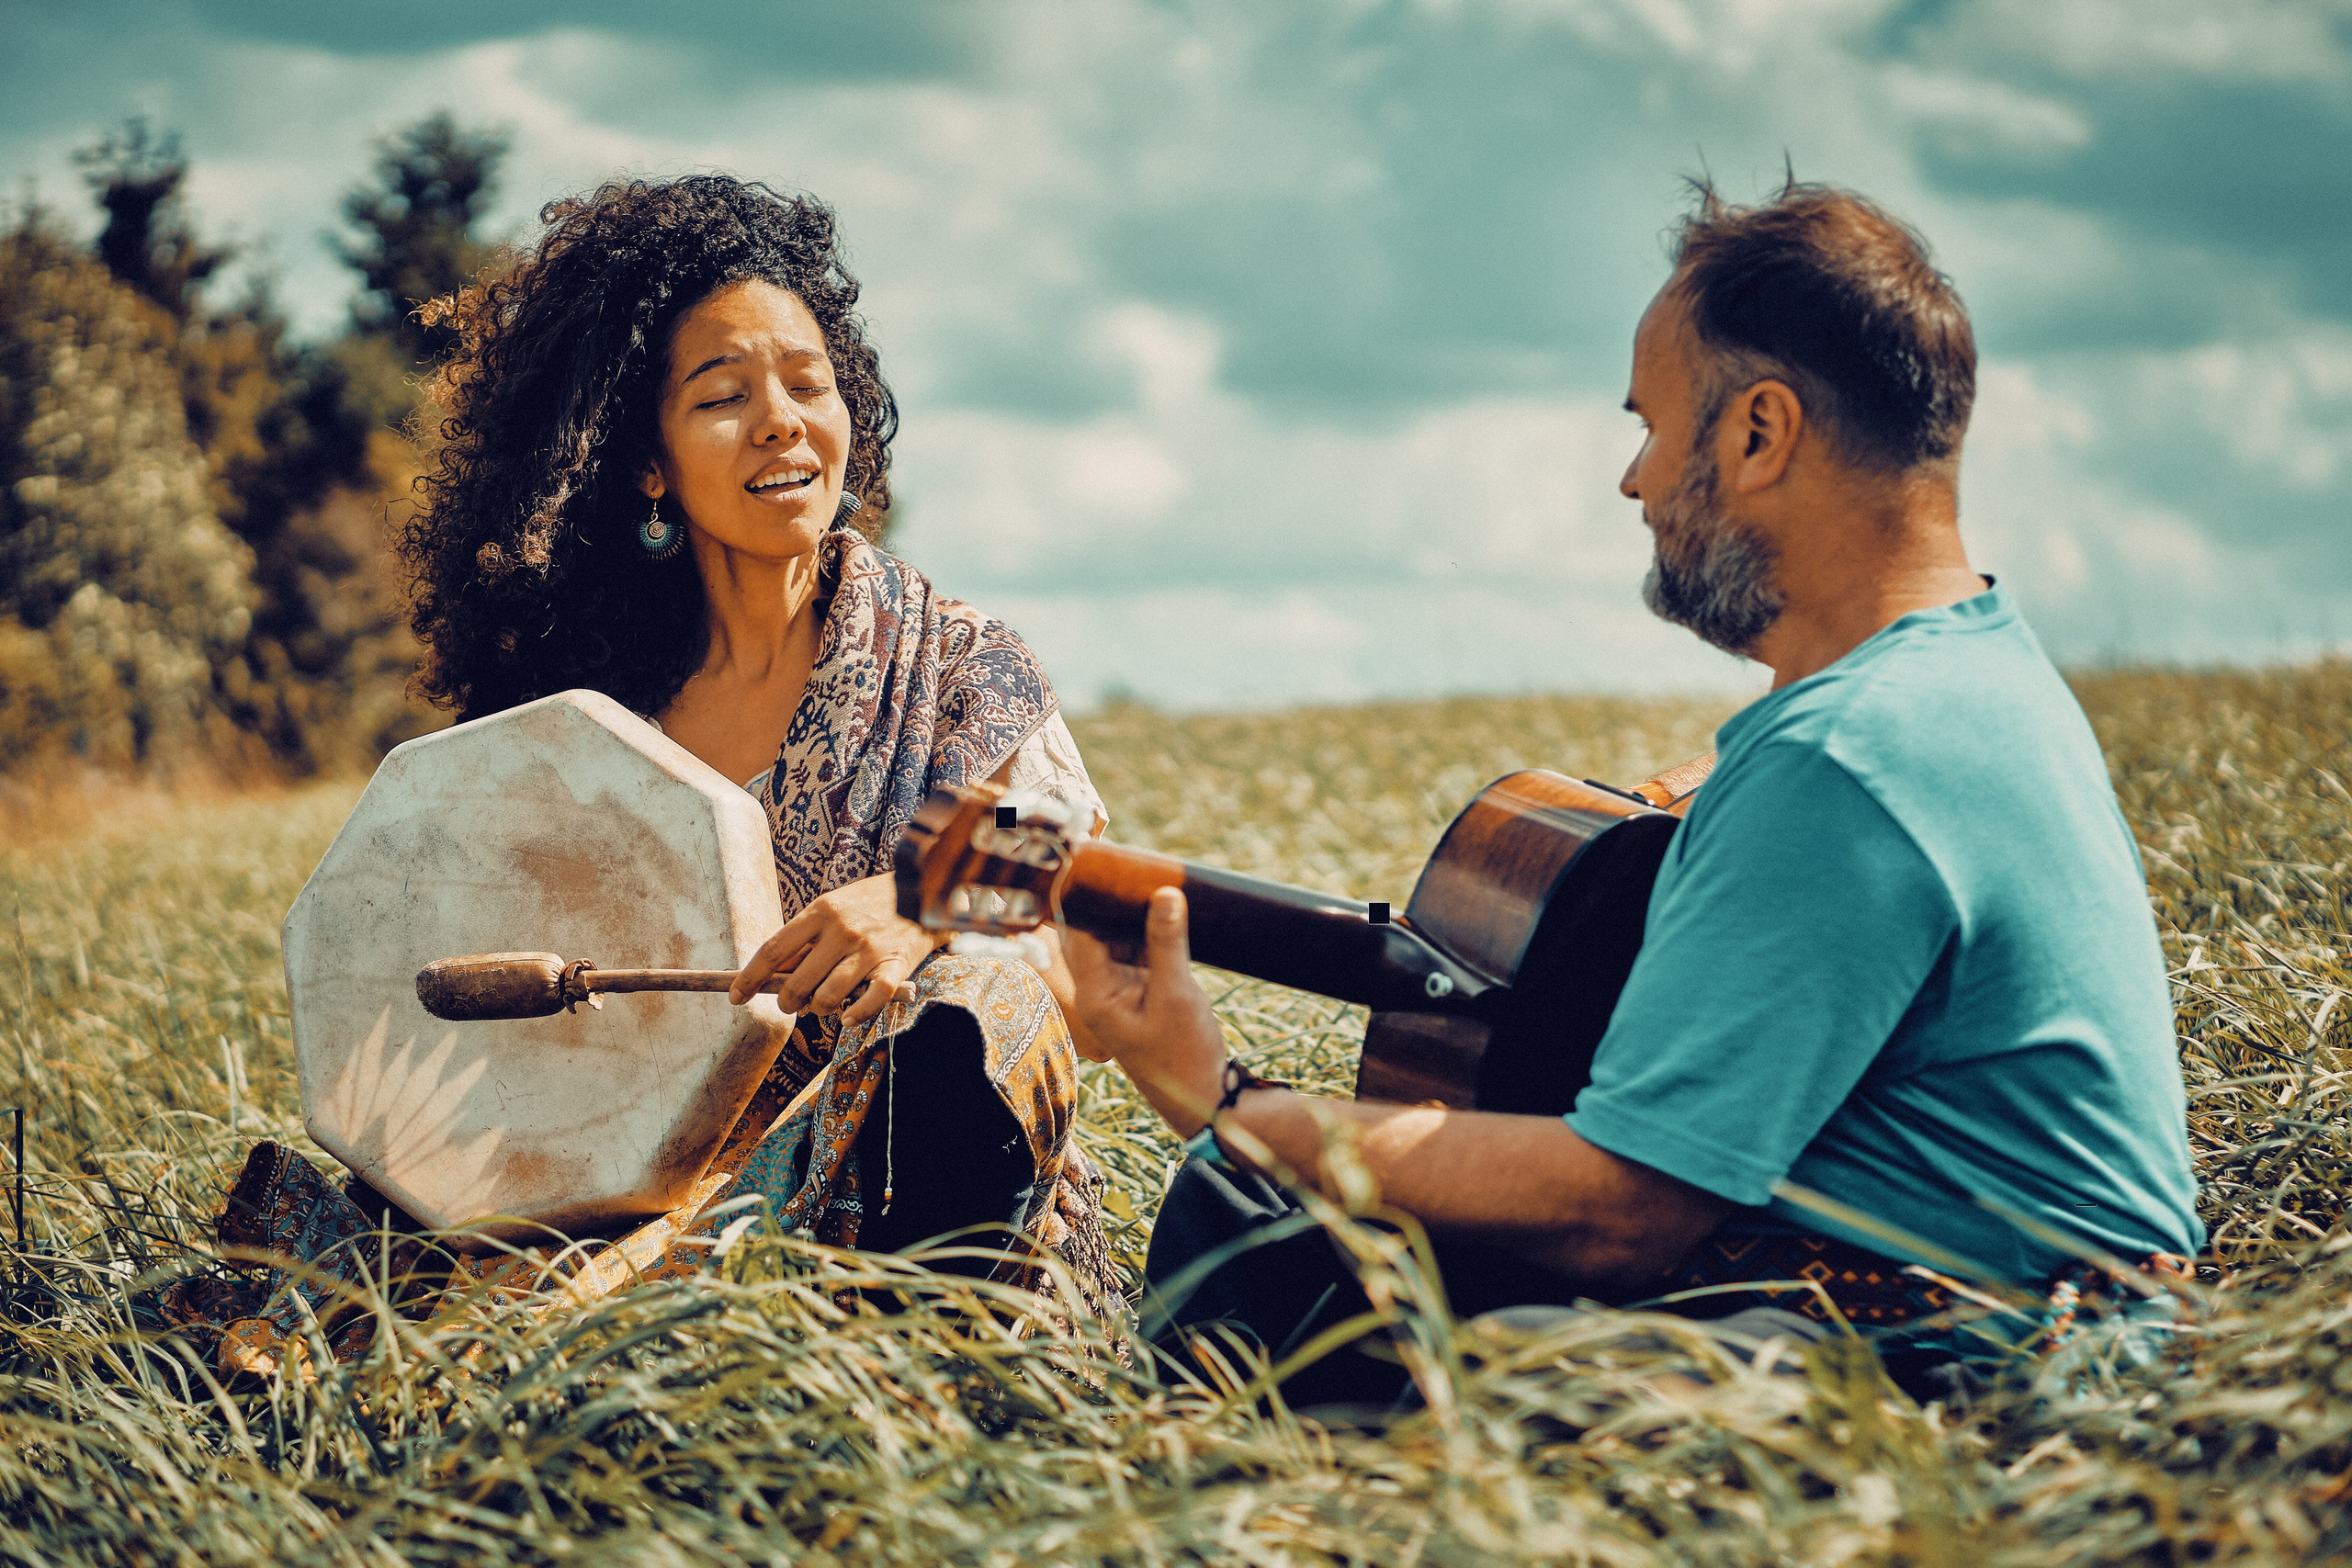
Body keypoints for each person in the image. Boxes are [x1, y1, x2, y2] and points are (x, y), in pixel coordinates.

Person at [1062, 180, 2203, 1405]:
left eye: (1652, 425)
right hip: (2072, 1332)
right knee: (1273, 1216)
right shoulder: (1968, 669)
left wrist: (1226, 1100)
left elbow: (1621, 1216)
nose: (1634, 480)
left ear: (1759, 434)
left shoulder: (1845, 757)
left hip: (1978, 1363)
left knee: (1308, 1242)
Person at [161, 178, 1123, 1374]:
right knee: (270, 1299)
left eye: (808, 384)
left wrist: (916, 908)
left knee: (972, 1007)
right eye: (723, 396)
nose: (782, 422)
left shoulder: (957, 666)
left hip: (914, 1222)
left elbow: (1087, 892)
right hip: (607, 1214)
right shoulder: (573, 721)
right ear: (647, 463)